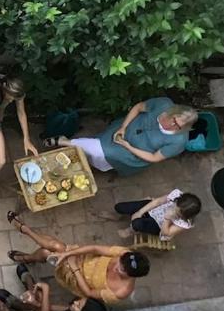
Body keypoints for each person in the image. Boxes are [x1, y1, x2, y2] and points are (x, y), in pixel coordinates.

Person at [6, 211, 149, 304]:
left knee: (49, 251)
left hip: (77, 277)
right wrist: (69, 254)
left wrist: (74, 268)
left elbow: (89, 293)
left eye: (123, 270)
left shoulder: (121, 291)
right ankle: (27, 249)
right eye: (121, 262)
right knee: (56, 248)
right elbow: (95, 248)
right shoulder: (124, 253)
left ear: (131, 275)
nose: (118, 266)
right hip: (82, 257)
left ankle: (26, 235)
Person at [56, 96, 198, 177]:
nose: (173, 125)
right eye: (174, 120)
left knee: (102, 151)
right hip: (124, 130)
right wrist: (123, 127)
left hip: (134, 154)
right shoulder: (163, 104)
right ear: (174, 111)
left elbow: (154, 158)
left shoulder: (179, 141)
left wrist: (128, 147)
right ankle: (76, 148)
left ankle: (67, 142)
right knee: (101, 143)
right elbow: (138, 107)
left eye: (178, 126)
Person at [108, 189, 202, 243]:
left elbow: (167, 233)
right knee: (119, 207)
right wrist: (140, 212)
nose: (174, 210)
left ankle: (131, 231)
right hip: (156, 209)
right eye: (175, 206)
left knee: (137, 224)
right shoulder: (177, 196)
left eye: (177, 213)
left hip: (158, 225)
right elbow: (158, 201)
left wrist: (167, 219)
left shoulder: (185, 223)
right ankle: (119, 216)